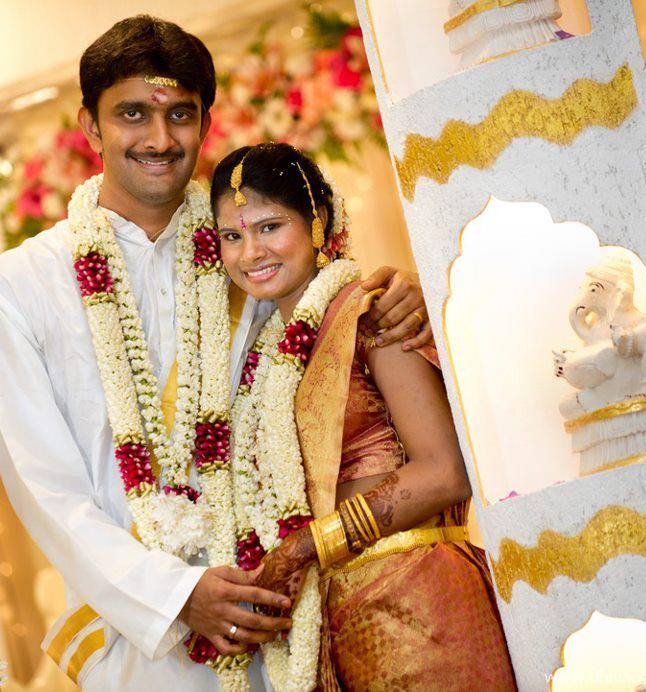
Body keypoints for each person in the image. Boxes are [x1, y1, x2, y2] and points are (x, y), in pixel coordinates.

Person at [0, 16, 430, 690]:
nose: (159, 139)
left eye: (179, 114)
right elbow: (47, 492)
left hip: (283, 610)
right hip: (137, 641)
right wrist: (177, 594)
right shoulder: (21, 287)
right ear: (91, 127)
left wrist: (402, 295)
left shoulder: (248, 249)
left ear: (205, 123)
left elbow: (335, 329)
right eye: (132, 114)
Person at [211, 143, 516, 690]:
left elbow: (445, 471)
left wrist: (306, 546)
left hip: (419, 602)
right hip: (332, 622)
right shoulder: (261, 358)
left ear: (318, 221)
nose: (250, 252)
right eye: (232, 236)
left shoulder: (373, 311)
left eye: (270, 226)